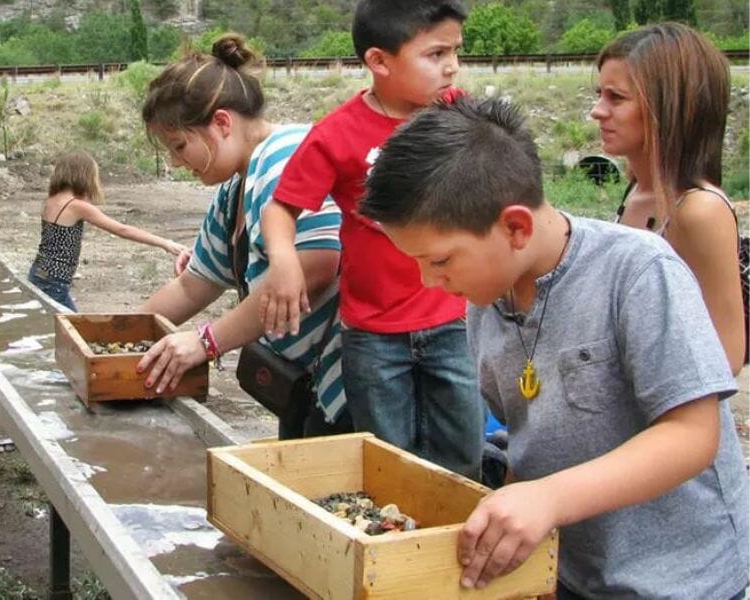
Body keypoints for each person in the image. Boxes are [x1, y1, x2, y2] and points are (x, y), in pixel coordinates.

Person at [360, 97, 749, 599]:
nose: (428, 281)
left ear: (515, 227)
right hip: (573, 573)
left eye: (439, 261)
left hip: (682, 580)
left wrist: (549, 499)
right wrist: (527, 546)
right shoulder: (486, 299)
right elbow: (529, 439)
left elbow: (694, 435)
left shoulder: (636, 272)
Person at [257, 0, 483, 479]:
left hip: (455, 320)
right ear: (379, 62)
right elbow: (281, 208)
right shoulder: (336, 135)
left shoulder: (459, 117)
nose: (452, 67)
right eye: (436, 53)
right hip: (374, 335)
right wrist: (284, 261)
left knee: (463, 452)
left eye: (455, 52)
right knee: (387, 460)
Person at [135, 35, 352, 438]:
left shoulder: (285, 155)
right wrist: (114, 332)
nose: (176, 162)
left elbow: (317, 262)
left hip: (348, 383)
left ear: (221, 123)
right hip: (308, 384)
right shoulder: (234, 188)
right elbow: (193, 284)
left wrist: (207, 341)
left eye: (180, 145)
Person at [591, 22, 746, 373]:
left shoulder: (698, 211)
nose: (597, 110)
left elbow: (727, 354)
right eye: (599, 94)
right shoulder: (635, 190)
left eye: (616, 97)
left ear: (668, 107)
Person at [29, 151, 185, 310]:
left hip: (39, 273)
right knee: (72, 330)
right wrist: (164, 243)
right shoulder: (76, 206)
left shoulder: (51, 200)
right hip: (54, 282)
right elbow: (122, 229)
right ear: (84, 176)